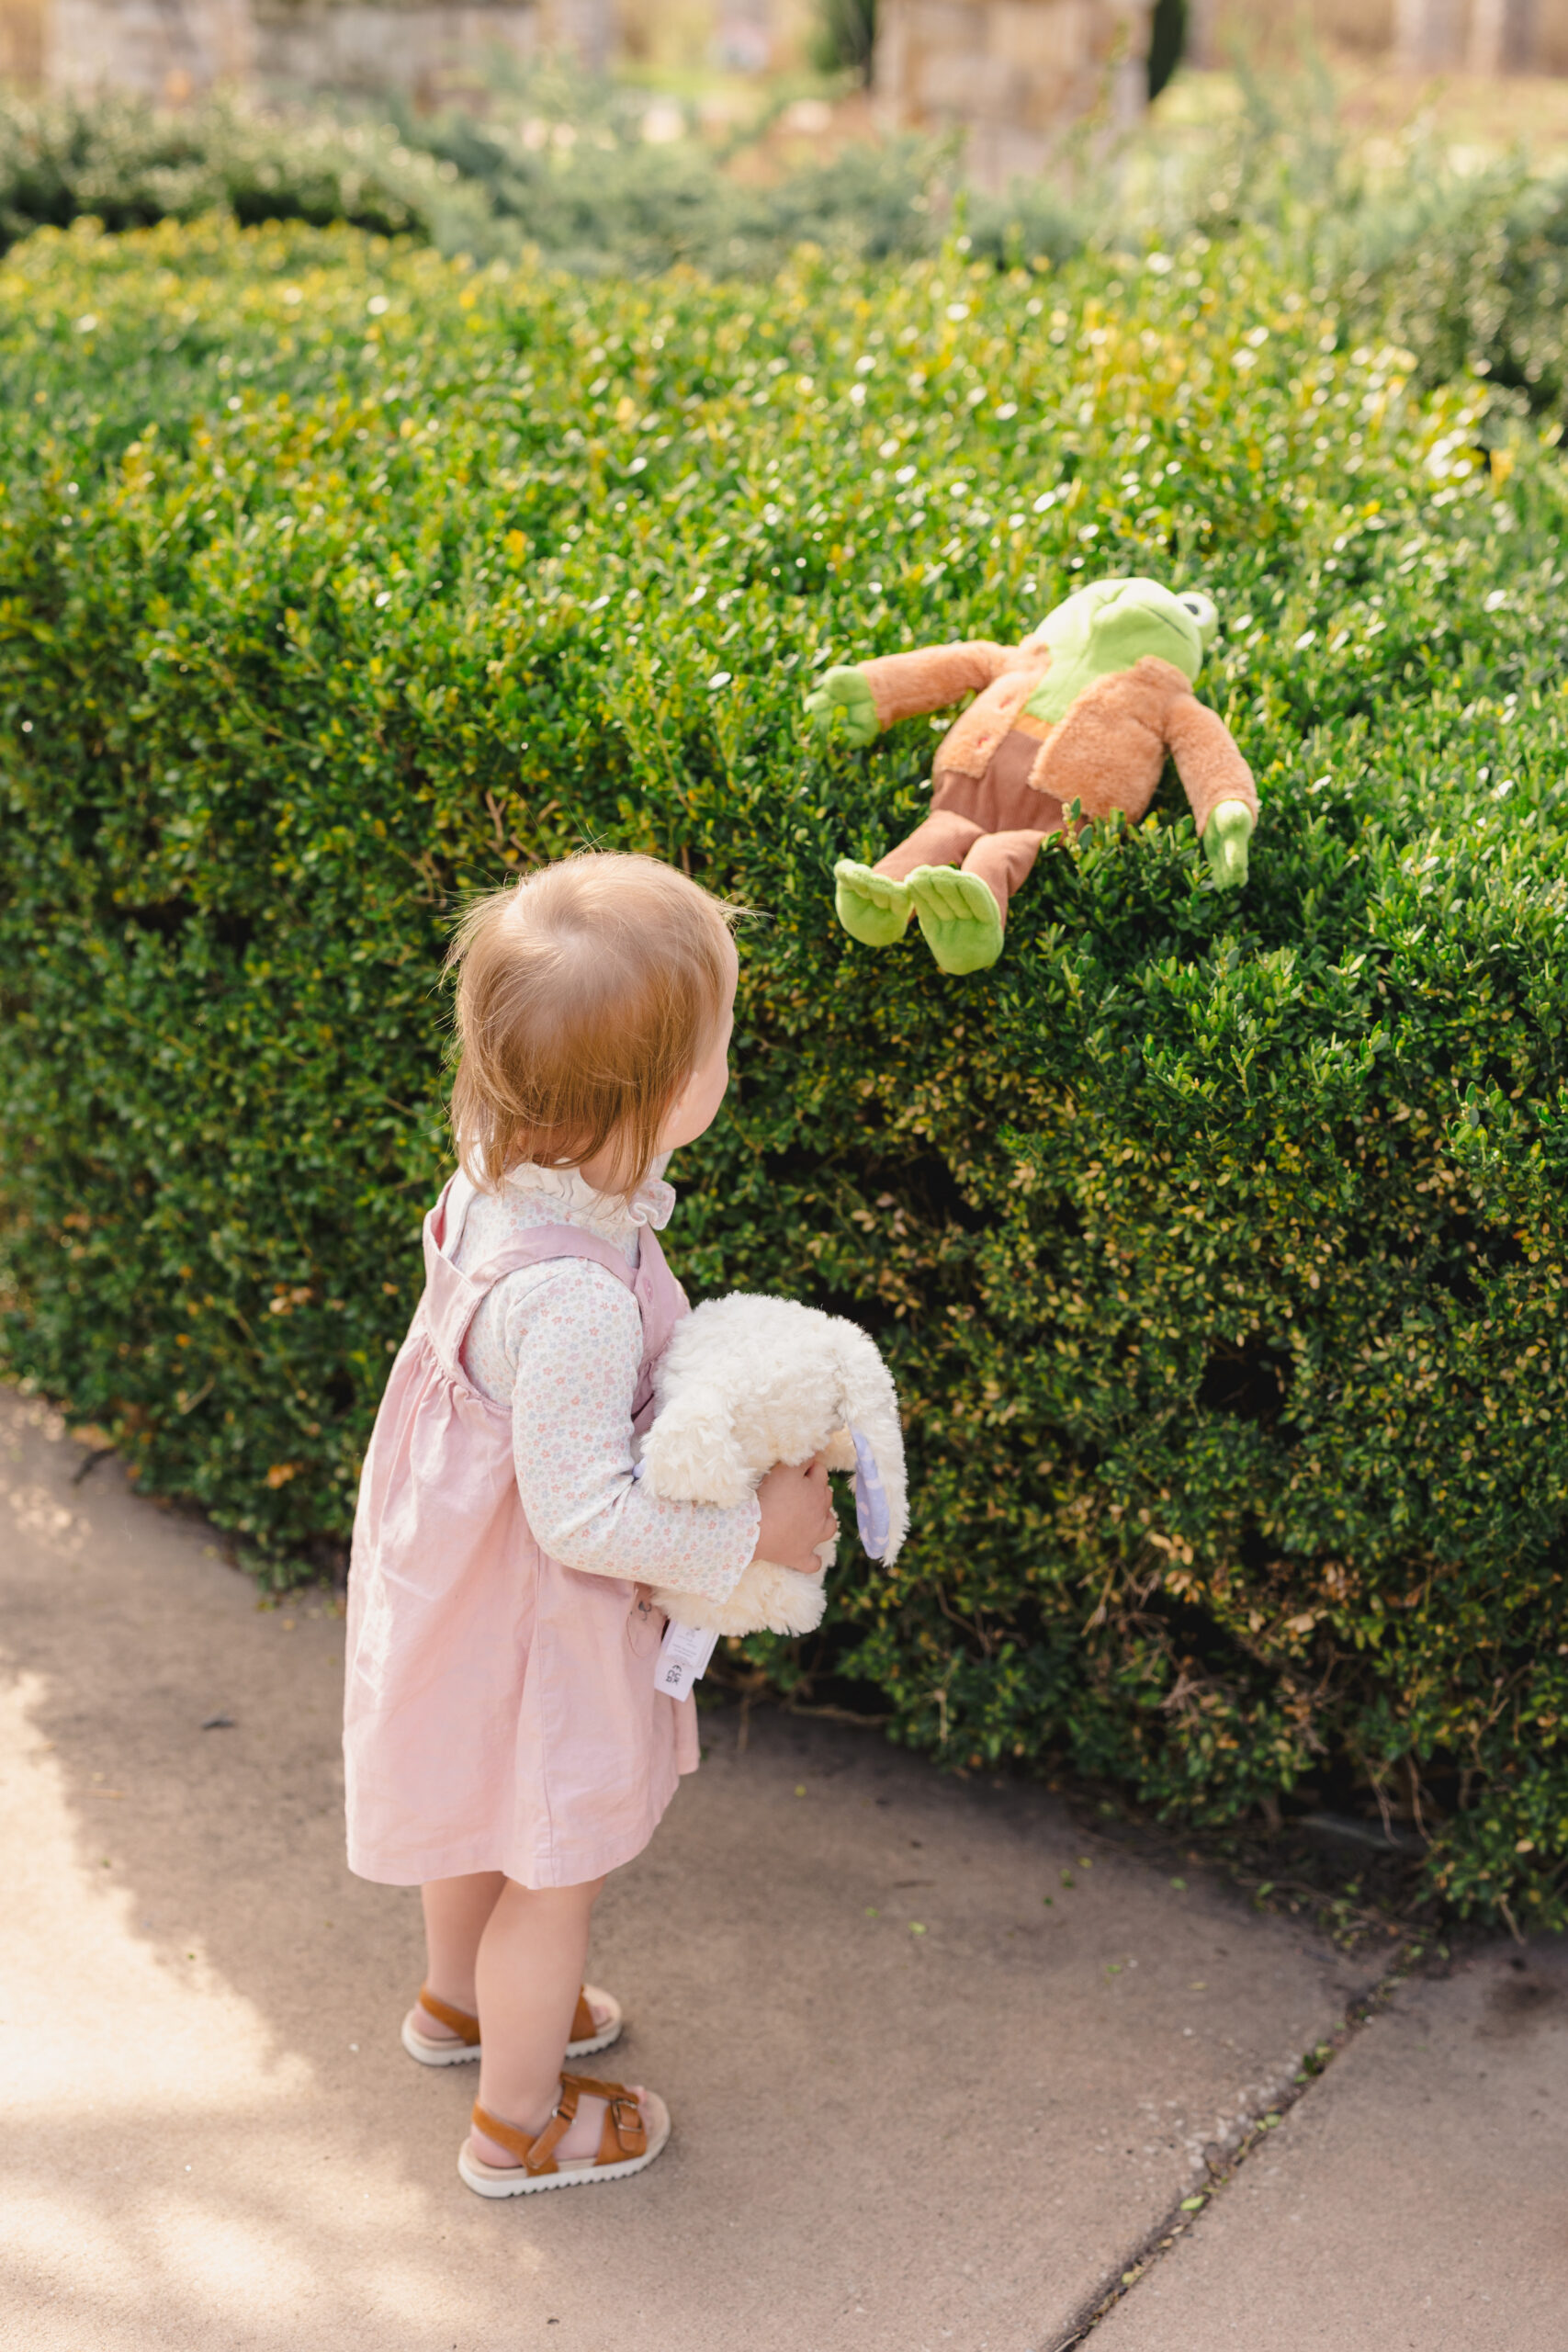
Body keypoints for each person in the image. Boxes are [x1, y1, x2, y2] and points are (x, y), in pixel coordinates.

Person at [343, 851, 836, 2197]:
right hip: (536, 1628)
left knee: (477, 1821)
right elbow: (581, 1514)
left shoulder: (500, 1179)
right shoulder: (577, 1302)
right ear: (676, 1096)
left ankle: (458, 2001)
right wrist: (756, 1538)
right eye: (724, 1040)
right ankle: (519, 2123)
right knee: (551, 1875)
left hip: (459, 1590)